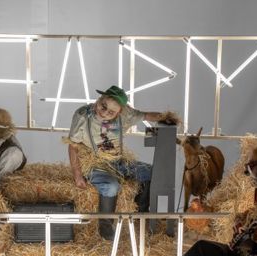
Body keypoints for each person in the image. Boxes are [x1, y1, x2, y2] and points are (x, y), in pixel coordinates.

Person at [65, 85, 178, 240]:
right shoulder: (82, 116)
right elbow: (73, 146)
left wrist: (166, 117)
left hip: (119, 161)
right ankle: (105, 227)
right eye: (103, 106)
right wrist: (77, 175)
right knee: (111, 186)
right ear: (100, 99)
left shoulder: (125, 115)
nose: (104, 112)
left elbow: (146, 116)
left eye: (111, 112)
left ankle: (140, 213)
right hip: (96, 163)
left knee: (152, 173)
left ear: (119, 112)